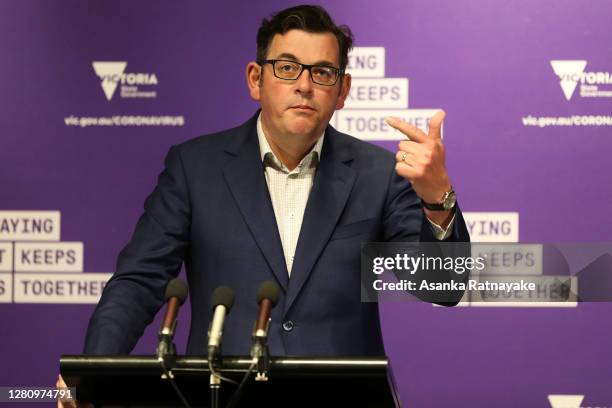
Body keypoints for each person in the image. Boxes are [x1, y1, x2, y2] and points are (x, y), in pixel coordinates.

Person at [58, 5, 470, 403]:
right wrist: (93, 377)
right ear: (256, 79)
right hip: (223, 393)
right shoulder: (194, 168)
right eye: (287, 67)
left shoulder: (378, 173)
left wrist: (437, 197)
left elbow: (443, 287)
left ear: (342, 91)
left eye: (323, 72)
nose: (304, 85)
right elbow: (139, 281)